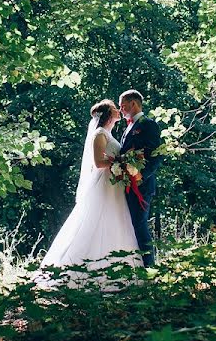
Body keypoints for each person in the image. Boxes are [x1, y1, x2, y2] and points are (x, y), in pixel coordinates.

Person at [34, 99, 142, 288]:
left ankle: (117, 270)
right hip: (104, 186)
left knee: (114, 222)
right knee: (95, 221)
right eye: (115, 109)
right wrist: (121, 161)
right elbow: (99, 163)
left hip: (113, 186)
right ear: (108, 114)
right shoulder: (99, 134)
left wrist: (121, 162)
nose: (118, 110)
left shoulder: (108, 133)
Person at [118, 89, 162, 267]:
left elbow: (156, 155)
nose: (120, 109)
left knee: (139, 224)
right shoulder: (128, 126)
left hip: (141, 186)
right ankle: (135, 264)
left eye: (123, 105)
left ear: (133, 103)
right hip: (127, 184)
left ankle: (149, 266)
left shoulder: (148, 124)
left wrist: (140, 176)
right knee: (131, 225)